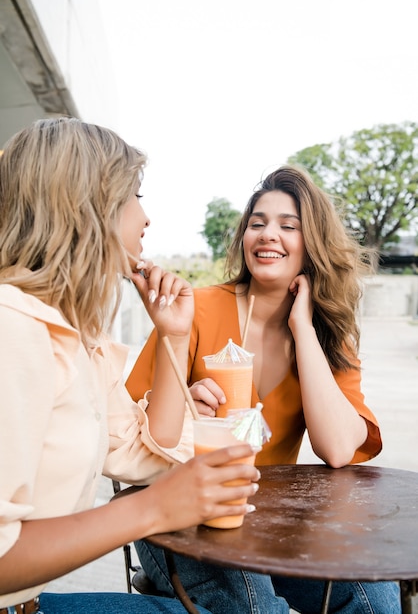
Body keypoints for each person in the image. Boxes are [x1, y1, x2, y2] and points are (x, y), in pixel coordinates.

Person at [0, 117, 264, 614]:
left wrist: (174, 334)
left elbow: (145, 452)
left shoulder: (74, 333)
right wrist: (153, 508)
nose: (146, 219)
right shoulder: (12, 329)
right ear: (88, 206)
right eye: (135, 195)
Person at [126, 165, 401, 613]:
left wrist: (304, 328)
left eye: (287, 226)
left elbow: (336, 449)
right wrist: (178, 402)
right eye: (257, 223)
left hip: (270, 523)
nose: (268, 234)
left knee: (375, 599)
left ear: (312, 243)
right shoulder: (195, 309)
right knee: (257, 608)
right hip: (181, 512)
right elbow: (128, 419)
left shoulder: (329, 335)